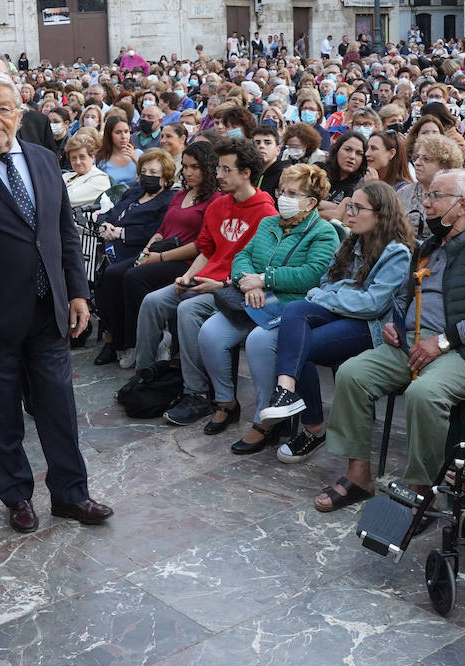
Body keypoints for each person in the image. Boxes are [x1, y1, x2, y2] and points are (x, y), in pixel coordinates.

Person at [0, 70, 112, 534]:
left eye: (3, 108)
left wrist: (77, 291)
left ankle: (72, 495)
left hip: (48, 311)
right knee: (0, 412)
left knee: (58, 407)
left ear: (20, 113)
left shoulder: (44, 159)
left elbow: (63, 233)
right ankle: (16, 496)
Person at [315, 169, 465, 512]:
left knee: (424, 394)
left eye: (435, 197)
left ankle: (420, 489)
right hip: (415, 340)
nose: (425, 203)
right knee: (353, 374)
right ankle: (358, 476)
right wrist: (395, 325)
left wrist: (442, 342)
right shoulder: (429, 246)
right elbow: (402, 296)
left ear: (462, 205)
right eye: (427, 196)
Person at [249, 181, 413, 463]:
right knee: (296, 310)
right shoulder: (352, 240)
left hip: (371, 326)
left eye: (358, 208)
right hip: (343, 311)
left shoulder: (396, 252)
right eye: (350, 205)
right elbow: (326, 280)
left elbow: (372, 303)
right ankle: (286, 392)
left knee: (302, 347)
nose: (349, 212)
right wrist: (336, 292)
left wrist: (331, 294)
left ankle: (314, 428)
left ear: (380, 214)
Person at [132, 137, 276, 425]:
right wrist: (187, 276)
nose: (218, 175)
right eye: (219, 169)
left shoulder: (266, 213)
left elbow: (258, 270)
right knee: (153, 301)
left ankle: (195, 393)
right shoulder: (218, 206)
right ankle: (146, 375)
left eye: (225, 170)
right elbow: (208, 250)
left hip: (232, 288)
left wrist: (218, 284)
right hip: (205, 278)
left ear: (246, 172)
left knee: (188, 309)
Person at [195, 164, 339, 444]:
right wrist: (247, 280)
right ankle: (226, 402)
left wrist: (265, 279)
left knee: (259, 342)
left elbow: (312, 274)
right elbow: (242, 256)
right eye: (281, 190)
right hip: (251, 297)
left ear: (311, 202)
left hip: (289, 304)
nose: (283, 196)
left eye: (292, 193)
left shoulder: (323, 232)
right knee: (210, 333)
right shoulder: (268, 223)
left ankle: (266, 419)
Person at [94, 141, 219, 367]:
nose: (188, 172)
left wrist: (159, 258)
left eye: (195, 167)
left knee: (133, 277)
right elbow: (162, 230)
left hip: (186, 261)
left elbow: (201, 245)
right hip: (158, 252)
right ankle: (119, 342)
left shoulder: (214, 200)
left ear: (208, 169)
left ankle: (145, 339)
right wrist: (147, 250)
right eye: (187, 167)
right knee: (112, 274)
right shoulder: (181, 195)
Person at [93, 149, 177, 264]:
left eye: (153, 172)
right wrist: (104, 225)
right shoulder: (133, 192)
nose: (147, 175)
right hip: (105, 246)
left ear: (166, 178)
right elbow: (108, 214)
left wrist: (122, 233)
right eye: (144, 171)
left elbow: (156, 230)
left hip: (135, 251)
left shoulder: (169, 200)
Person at [399, 133, 465, 240]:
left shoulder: (454, 197)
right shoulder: (403, 193)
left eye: (426, 159)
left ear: (445, 165)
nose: (417, 163)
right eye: (417, 157)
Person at [317, 131, 368, 222]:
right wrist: (337, 207)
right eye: (347, 149)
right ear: (337, 150)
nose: (352, 156)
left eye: (359, 153)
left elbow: (339, 217)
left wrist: (313, 206)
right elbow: (299, 202)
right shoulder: (318, 170)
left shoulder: (359, 186)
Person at [62, 133, 112, 208]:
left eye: (82, 157)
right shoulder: (66, 176)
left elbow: (69, 199)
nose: (78, 162)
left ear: (92, 157)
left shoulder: (100, 179)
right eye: (73, 158)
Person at [96, 113, 138, 187]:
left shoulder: (139, 154)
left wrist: (136, 161)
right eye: (118, 132)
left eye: (126, 131)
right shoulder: (100, 159)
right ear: (109, 135)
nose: (123, 136)